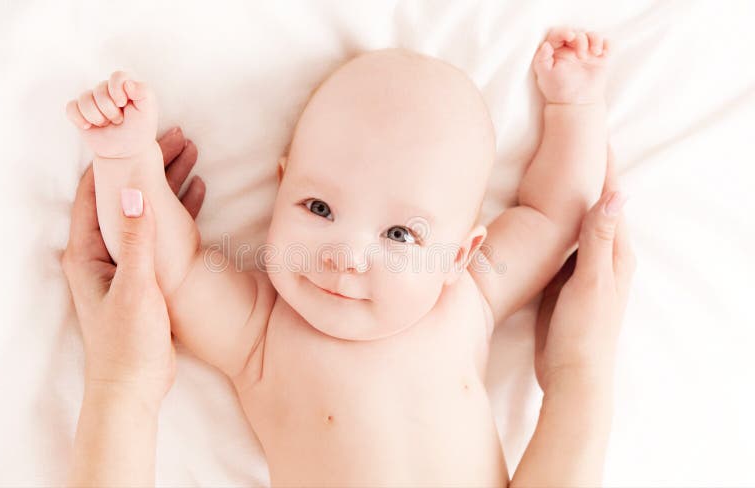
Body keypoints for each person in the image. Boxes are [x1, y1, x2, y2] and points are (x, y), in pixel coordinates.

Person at [64, 26, 633, 485]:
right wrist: (124, 158)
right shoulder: (261, 331)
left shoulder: (470, 299)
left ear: (459, 255)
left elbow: (552, 218)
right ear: (281, 187)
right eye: (318, 207)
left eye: (400, 235)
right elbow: (168, 268)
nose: (346, 257)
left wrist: (574, 108)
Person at [61, 128, 204, 486]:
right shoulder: (266, 326)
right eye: (318, 208)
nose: (339, 259)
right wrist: (128, 167)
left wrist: (121, 377)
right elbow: (182, 277)